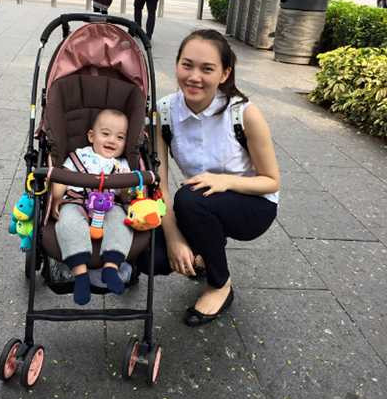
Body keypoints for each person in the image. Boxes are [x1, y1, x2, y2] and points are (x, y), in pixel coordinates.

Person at [137, 29, 280, 327]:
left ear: (225, 73)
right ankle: (203, 252)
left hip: (253, 205)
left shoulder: (244, 114)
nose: (194, 77)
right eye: (187, 65)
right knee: (152, 257)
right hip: (201, 201)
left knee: (190, 199)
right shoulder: (163, 112)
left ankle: (219, 284)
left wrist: (225, 181)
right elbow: (159, 184)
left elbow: (271, 181)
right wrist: (175, 239)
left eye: (207, 69)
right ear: (176, 64)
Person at [51, 109, 133, 305]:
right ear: (91, 136)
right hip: (77, 201)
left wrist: (125, 188)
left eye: (120, 137)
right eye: (105, 134)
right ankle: (80, 274)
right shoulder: (79, 155)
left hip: (109, 204)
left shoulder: (122, 164)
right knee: (67, 222)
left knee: (122, 222)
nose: (112, 140)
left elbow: (126, 196)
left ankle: (111, 267)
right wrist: (56, 198)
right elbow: (62, 177)